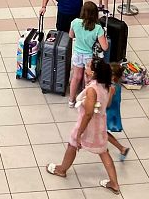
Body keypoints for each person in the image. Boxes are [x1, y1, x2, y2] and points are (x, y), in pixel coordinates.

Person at [45, 59, 121, 195]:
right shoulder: (107, 86)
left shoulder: (92, 90)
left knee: (72, 144)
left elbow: (88, 114)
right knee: (104, 152)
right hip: (100, 124)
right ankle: (114, 183)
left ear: (93, 72)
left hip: (88, 125)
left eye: (87, 66)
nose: (85, 67)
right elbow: (107, 105)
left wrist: (80, 133)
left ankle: (62, 169)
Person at [67, 1, 107, 106]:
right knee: (88, 79)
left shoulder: (75, 22)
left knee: (76, 77)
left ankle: (71, 100)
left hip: (77, 53)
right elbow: (105, 47)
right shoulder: (98, 28)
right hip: (89, 57)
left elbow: (71, 36)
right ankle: (85, 101)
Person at [105, 63, 130, 160]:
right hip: (114, 110)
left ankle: (122, 148)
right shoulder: (117, 84)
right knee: (102, 131)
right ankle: (121, 148)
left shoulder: (112, 88)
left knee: (102, 131)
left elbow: (108, 103)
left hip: (109, 112)